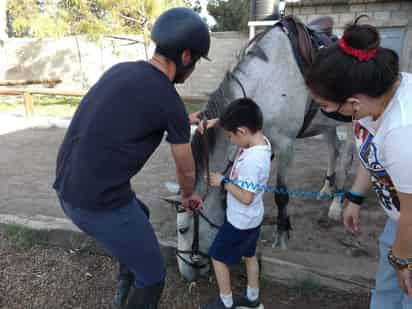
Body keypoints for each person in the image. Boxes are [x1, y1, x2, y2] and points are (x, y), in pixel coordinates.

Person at [52, 7, 210, 309]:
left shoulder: (120, 70)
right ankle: (135, 286)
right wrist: (189, 196)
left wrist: (181, 120)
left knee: (142, 213)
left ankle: (122, 291)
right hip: (96, 205)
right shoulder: (168, 100)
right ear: (186, 57)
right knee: (153, 275)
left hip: (66, 188)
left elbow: (131, 111)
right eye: (197, 61)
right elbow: (186, 170)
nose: (194, 69)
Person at [305, 17, 412, 309]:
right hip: (400, 221)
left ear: (352, 102)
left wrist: (403, 258)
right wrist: (355, 196)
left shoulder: (402, 130)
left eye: (325, 106)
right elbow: (371, 151)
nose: (323, 111)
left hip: (409, 223)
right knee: (385, 296)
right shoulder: (372, 100)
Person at [198, 98, 271, 309]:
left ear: (241, 131)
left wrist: (223, 182)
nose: (230, 139)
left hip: (240, 221)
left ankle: (226, 302)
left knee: (217, 257)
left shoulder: (252, 160)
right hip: (254, 218)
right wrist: (216, 122)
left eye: (230, 136)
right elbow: (240, 123)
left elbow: (246, 198)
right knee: (249, 255)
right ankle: (252, 298)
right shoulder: (260, 139)